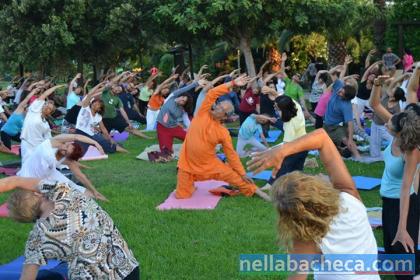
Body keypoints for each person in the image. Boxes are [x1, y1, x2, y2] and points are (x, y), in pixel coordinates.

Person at [247, 129, 380, 280]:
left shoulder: (306, 237)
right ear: (316, 188)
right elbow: (322, 138)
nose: (317, 174)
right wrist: (281, 151)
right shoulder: (350, 198)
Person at [1, 176, 139, 279]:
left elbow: (27, 277)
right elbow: (15, 180)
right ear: (38, 193)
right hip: (128, 270)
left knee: (46, 276)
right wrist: (12, 183)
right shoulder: (65, 192)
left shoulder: (37, 238)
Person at [175, 75, 270, 201]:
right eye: (219, 104)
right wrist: (232, 83)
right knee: (182, 196)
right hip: (186, 164)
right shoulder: (203, 113)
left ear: (225, 116)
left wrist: (242, 173)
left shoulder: (223, 132)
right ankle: (190, 185)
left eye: (221, 109)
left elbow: (231, 154)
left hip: (209, 165)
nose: (217, 107)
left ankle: (259, 192)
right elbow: (212, 93)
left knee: (238, 178)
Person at [369, 69, 420, 279]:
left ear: (398, 131)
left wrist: (402, 227)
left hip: (404, 203)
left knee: (402, 255)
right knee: (395, 255)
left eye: (390, 123)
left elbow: (406, 188)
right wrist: (377, 85)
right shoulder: (398, 126)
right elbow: (374, 105)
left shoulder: (411, 151)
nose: (386, 121)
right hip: (388, 202)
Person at [17, 133, 107, 199]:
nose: (63, 148)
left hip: (48, 174)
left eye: (66, 151)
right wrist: (95, 142)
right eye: (67, 145)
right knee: (50, 196)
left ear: (68, 156)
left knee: (75, 188)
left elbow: (80, 176)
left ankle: (97, 197)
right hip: (29, 175)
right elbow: (77, 136)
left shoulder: (67, 159)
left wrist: (94, 191)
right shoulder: (53, 142)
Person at [258, 91, 307, 191]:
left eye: (277, 108)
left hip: (296, 147)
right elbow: (284, 97)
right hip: (305, 144)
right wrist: (271, 91)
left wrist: (272, 152)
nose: (275, 108)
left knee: (283, 165)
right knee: (297, 170)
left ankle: (271, 184)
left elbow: (286, 147)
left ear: (284, 110)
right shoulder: (294, 106)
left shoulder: (289, 124)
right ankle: (298, 185)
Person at [323, 56, 361, 159]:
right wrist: (343, 65)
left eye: (341, 93)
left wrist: (350, 138)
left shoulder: (346, 105)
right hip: (326, 124)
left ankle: (358, 157)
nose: (338, 92)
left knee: (346, 140)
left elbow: (350, 123)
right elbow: (331, 73)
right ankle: (343, 148)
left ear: (346, 97)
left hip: (336, 127)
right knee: (325, 145)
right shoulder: (340, 87)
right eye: (340, 90)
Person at [76, 82, 128, 154]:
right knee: (81, 151)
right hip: (81, 132)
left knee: (108, 146)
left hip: (93, 135)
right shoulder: (85, 108)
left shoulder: (98, 116)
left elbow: (103, 129)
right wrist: (101, 84)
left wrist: (110, 139)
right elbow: (90, 94)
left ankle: (125, 151)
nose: (95, 104)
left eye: (98, 104)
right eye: (94, 102)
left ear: (99, 109)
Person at [20, 84, 64, 163]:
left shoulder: (45, 124)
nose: (47, 107)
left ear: (50, 112)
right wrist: (55, 87)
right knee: (27, 166)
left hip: (38, 145)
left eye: (50, 109)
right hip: (27, 143)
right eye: (46, 105)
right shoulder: (34, 110)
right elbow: (44, 95)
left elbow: (48, 138)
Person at [156, 80, 200, 153]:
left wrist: (185, 128)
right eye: (182, 97)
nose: (181, 100)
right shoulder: (171, 98)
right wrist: (196, 84)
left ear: (184, 104)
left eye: (183, 101)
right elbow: (184, 89)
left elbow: (180, 122)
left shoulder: (180, 111)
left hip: (174, 128)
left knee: (192, 139)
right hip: (162, 128)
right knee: (166, 152)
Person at [0, 84, 38, 151]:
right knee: (7, 150)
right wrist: (34, 90)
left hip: (14, 134)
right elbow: (26, 98)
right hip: (5, 132)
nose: (28, 111)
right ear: (25, 109)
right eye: (27, 109)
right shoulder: (18, 111)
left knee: (27, 141)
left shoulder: (27, 118)